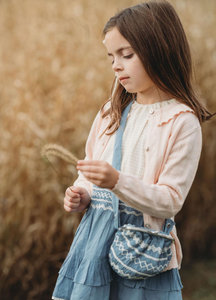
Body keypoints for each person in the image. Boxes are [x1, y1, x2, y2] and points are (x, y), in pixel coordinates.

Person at [52, 1, 215, 300]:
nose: (116, 65)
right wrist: (82, 192)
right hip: (93, 243)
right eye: (111, 57)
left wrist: (116, 181)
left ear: (160, 50)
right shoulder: (109, 113)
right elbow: (90, 168)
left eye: (127, 55)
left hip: (143, 249)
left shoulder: (181, 122)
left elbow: (170, 201)